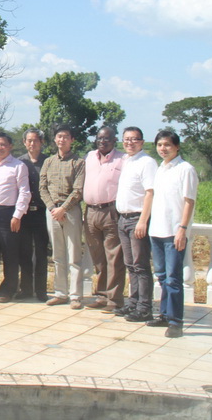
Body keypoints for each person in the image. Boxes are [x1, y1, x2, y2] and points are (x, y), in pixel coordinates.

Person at [147, 130, 198, 338]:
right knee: (161, 277)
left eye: (167, 144)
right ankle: (165, 315)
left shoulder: (186, 169)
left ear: (177, 146)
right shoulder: (160, 168)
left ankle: (176, 322)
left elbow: (189, 201)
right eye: (159, 145)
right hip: (157, 230)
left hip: (174, 232)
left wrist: (182, 229)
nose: (163, 148)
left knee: (173, 279)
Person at [0, 132, 30, 303]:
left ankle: (8, 290)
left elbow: (24, 192)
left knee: (10, 254)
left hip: (9, 215)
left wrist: (17, 215)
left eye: (3, 144)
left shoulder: (18, 166)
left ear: (10, 146)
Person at [40, 124, 85, 310]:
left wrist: (63, 208)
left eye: (66, 136)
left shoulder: (79, 162)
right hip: (52, 211)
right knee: (57, 254)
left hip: (71, 211)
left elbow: (78, 190)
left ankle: (75, 296)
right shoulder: (48, 162)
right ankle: (60, 293)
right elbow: (42, 187)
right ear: (55, 139)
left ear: (72, 140)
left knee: (74, 255)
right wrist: (52, 208)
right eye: (59, 136)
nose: (62, 139)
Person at [115, 126, 157, 322]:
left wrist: (143, 221)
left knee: (141, 265)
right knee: (130, 264)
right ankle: (133, 303)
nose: (129, 142)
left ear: (142, 141)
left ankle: (144, 307)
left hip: (137, 219)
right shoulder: (127, 160)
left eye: (134, 139)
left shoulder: (147, 162)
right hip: (123, 219)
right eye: (126, 139)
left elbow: (150, 193)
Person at [82, 126, 126, 312]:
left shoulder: (123, 159)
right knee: (98, 258)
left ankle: (114, 300)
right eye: (99, 138)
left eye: (107, 138)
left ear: (114, 140)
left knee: (114, 257)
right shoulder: (89, 157)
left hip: (111, 212)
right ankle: (101, 296)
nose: (102, 142)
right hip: (90, 212)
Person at [19, 129, 51, 302]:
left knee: (40, 253)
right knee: (24, 252)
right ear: (24, 142)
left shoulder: (49, 161)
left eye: (36, 140)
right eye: (29, 140)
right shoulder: (19, 162)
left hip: (41, 213)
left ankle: (41, 290)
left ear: (41, 142)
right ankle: (25, 289)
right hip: (23, 214)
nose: (32, 144)